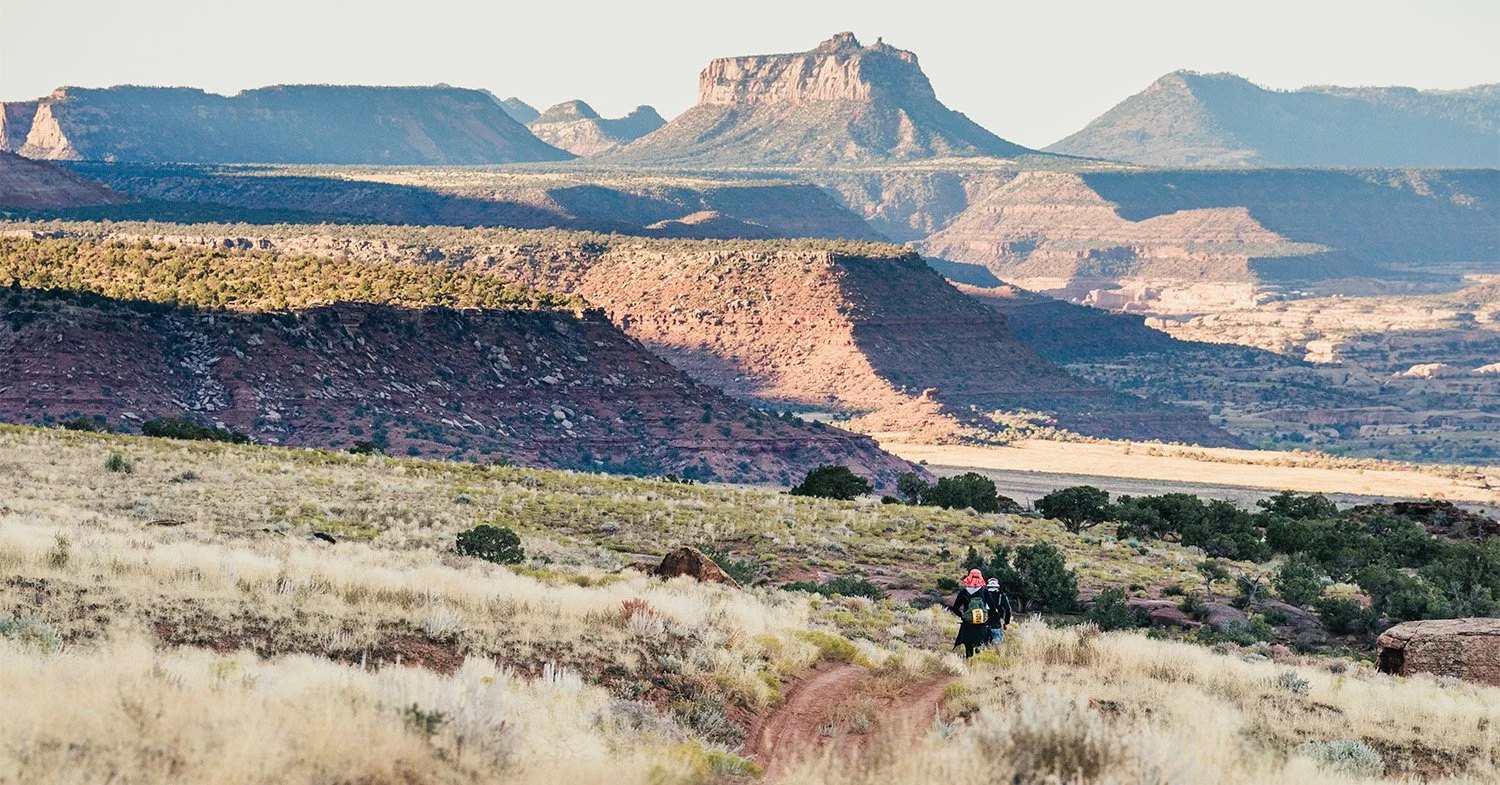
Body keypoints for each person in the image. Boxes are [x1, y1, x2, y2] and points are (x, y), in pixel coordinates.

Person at [948, 568, 991, 658]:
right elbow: (992, 608)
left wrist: (963, 616)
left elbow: (955, 608)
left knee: (968, 647)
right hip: (981, 624)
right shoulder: (984, 592)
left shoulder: (963, 593)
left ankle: (969, 661)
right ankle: (979, 662)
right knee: (980, 644)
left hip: (968, 624)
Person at [983, 577, 1013, 646]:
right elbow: (1008, 610)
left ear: (988, 586)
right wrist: (1006, 622)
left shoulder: (982, 594)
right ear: (997, 587)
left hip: (983, 624)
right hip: (996, 624)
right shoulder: (1002, 595)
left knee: (983, 647)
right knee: (997, 647)